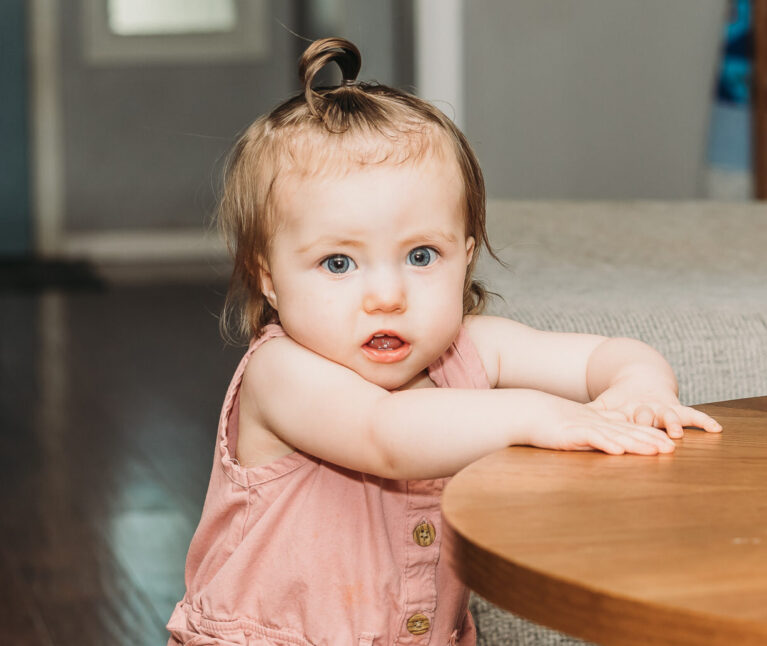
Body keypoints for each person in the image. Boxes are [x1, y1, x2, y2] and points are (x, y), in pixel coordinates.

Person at [167, 37, 722, 646]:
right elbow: (388, 436)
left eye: (421, 255)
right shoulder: (281, 374)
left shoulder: (473, 349)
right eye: (337, 263)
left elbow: (604, 355)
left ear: (465, 255)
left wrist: (640, 384)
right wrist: (538, 413)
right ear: (268, 275)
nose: (386, 295)